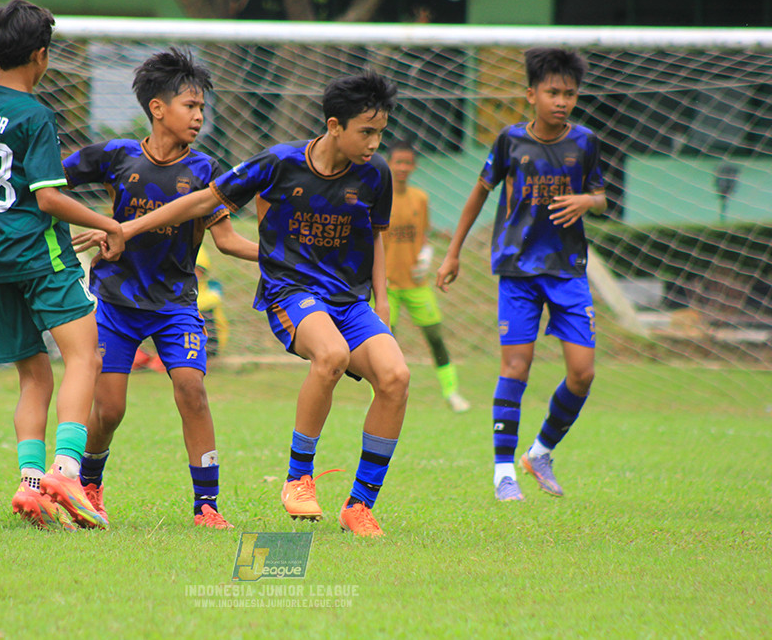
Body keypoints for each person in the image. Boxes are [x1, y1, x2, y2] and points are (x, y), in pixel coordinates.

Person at [118, 71, 409, 537]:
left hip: (350, 301)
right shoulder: (279, 163)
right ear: (335, 126)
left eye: (380, 132)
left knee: (396, 377)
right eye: (367, 132)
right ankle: (298, 479)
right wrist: (127, 229)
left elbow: (375, 239)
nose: (376, 143)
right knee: (331, 355)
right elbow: (201, 201)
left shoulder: (376, 175)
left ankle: (359, 506)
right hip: (291, 291)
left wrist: (384, 302)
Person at [63, 48, 258, 529]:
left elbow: (228, 240)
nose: (198, 116)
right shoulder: (116, 155)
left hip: (175, 305)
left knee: (192, 390)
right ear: (157, 107)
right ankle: (89, 485)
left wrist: (281, 256)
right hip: (115, 303)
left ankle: (206, 507)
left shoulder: (206, 171)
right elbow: (48, 182)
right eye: (190, 106)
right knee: (108, 409)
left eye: (202, 109)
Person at [0, 0, 124, 530]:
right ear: (41, 55)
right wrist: (109, 223)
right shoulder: (37, 115)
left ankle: (30, 484)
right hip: (38, 256)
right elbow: (47, 198)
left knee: (33, 375)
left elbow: (4, 185)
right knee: (85, 359)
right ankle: (67, 471)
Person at [435, 47, 607, 502]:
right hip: (518, 270)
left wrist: (587, 202)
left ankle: (541, 451)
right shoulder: (510, 141)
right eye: (553, 92)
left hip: (568, 271)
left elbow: (602, 195)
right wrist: (453, 254)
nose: (562, 101)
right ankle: (503, 472)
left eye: (569, 93)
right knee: (516, 366)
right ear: (531, 94)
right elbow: (478, 194)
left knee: (583, 373)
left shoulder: (585, 142)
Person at [382, 139, 470, 413]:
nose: (403, 167)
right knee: (384, 346)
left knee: (435, 337)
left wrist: (426, 255)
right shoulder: (377, 197)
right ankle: (382, 397)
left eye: (408, 162)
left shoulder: (420, 198)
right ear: (388, 164)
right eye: (398, 162)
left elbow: (423, 234)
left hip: (416, 283)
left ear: (414, 166)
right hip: (386, 286)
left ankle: (451, 392)